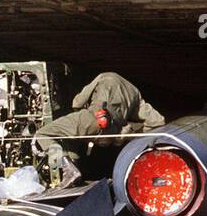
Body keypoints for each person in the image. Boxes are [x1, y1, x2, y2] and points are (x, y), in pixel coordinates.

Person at [35, 72, 164, 180]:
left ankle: (66, 169)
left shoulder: (104, 76)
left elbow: (77, 103)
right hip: (112, 134)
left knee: (44, 134)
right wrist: (128, 133)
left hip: (93, 119)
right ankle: (74, 174)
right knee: (71, 139)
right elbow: (157, 121)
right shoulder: (135, 92)